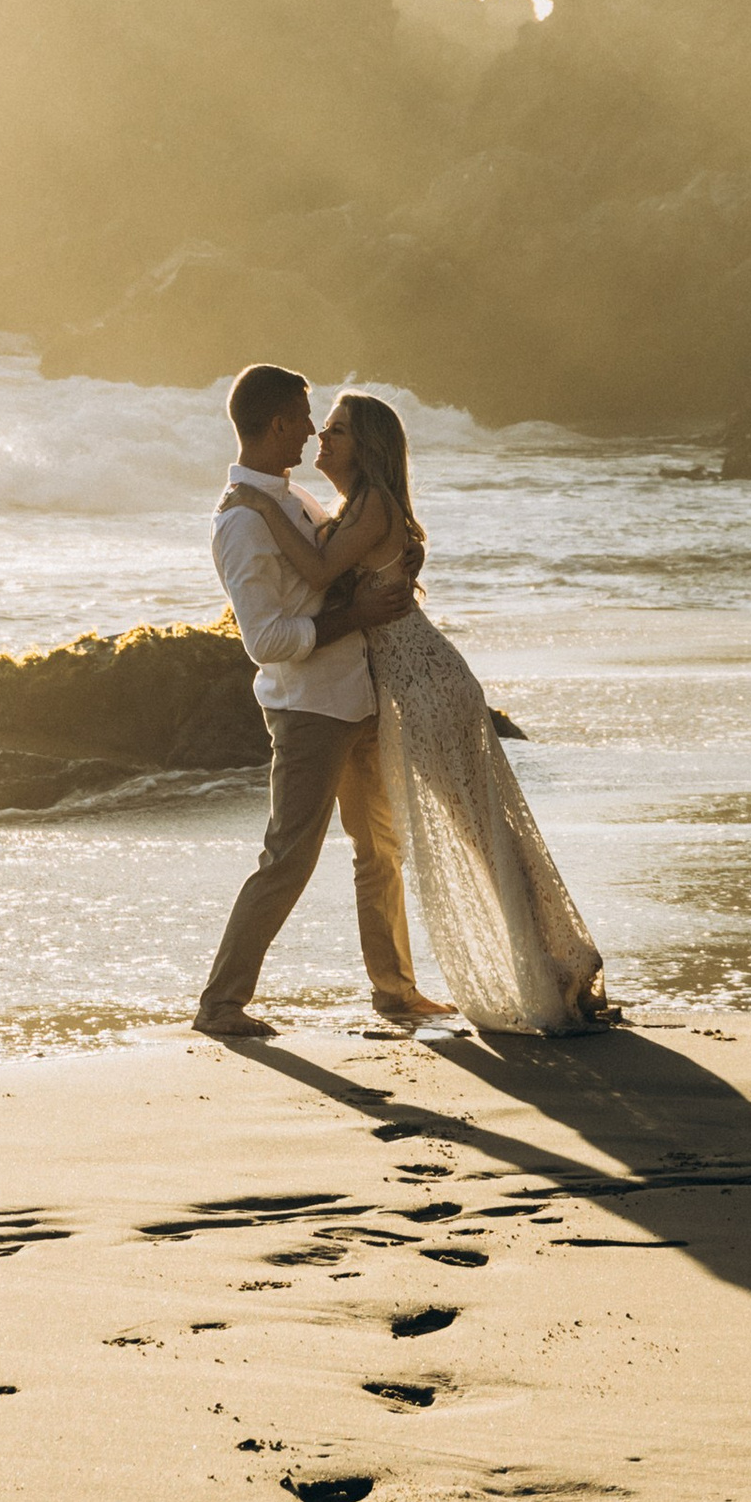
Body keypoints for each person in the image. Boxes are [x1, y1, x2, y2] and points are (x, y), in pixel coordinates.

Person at [247, 386, 617, 1034]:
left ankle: (556, 964)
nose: (322, 439)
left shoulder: (371, 508)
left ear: (367, 449)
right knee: (480, 830)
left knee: (481, 832)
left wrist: (255, 501)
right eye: (322, 427)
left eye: (336, 431)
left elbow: (314, 567)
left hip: (425, 684)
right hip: (409, 686)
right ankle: (558, 959)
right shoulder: (354, 505)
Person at [192, 362, 458, 1041]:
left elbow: (332, 576)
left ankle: (395, 991)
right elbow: (267, 640)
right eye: (305, 418)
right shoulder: (241, 523)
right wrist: (359, 612)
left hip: (356, 698)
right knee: (290, 855)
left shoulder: (292, 499)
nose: (313, 431)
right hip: (308, 708)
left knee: (380, 848)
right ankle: (220, 1004)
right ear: (278, 423)